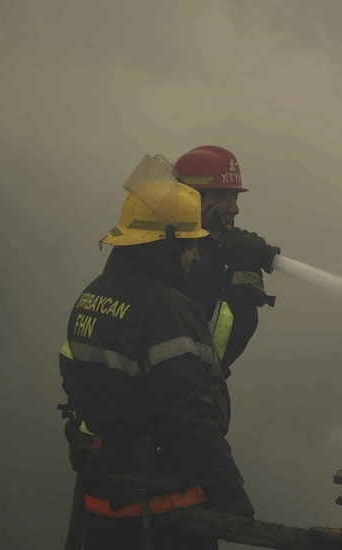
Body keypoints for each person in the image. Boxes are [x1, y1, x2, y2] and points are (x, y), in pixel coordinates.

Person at [59, 156, 253, 550]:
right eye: (189, 247)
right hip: (162, 512)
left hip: (104, 497)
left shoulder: (94, 293)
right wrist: (233, 499)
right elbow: (191, 418)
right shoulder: (165, 309)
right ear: (165, 246)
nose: (196, 257)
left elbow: (74, 375)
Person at [172, 145, 279, 376]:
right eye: (222, 196)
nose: (234, 209)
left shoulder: (174, 247)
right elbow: (213, 356)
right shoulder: (183, 262)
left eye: (235, 196)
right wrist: (244, 280)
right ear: (191, 199)